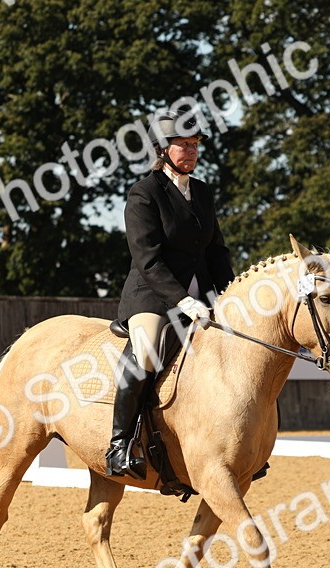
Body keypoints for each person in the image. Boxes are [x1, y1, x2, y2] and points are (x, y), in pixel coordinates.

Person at [105, 112, 235, 479]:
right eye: (184, 145)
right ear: (163, 148)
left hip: (204, 296)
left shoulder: (203, 192)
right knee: (146, 351)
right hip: (154, 297)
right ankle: (119, 444)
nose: (192, 152)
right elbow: (148, 258)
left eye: (195, 146)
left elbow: (216, 252)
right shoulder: (144, 194)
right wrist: (182, 299)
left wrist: (229, 295)